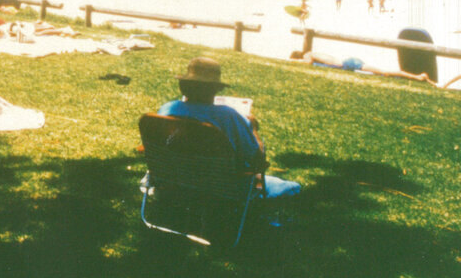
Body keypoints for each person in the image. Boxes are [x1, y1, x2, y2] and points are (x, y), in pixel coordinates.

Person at [158, 57, 300, 197]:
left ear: (183, 87)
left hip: (173, 184)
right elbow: (257, 160)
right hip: (221, 190)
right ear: (215, 89)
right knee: (292, 187)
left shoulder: (168, 110)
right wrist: (253, 129)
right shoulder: (227, 117)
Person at [289, 51, 435, 84]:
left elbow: (307, 62)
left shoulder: (309, 55)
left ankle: (419, 76)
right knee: (382, 74)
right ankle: (417, 77)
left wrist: (294, 62)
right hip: (348, 65)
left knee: (384, 73)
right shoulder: (310, 56)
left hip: (349, 64)